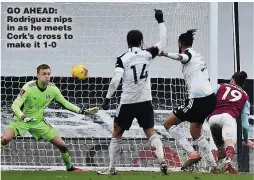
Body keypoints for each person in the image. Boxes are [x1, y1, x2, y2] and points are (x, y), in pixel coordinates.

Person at [98, 9, 168, 175]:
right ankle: (162, 160)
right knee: (150, 132)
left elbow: (116, 80)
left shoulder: (122, 58)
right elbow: (164, 41)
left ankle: (111, 169)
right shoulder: (148, 53)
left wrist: (107, 98)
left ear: (128, 42)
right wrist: (160, 20)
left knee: (117, 132)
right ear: (141, 41)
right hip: (145, 100)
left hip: (128, 102)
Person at [1, 64, 99, 172]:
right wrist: (23, 117)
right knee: (5, 139)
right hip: (20, 121)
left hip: (39, 123)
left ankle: (70, 168)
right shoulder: (28, 87)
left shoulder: (53, 89)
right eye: (44, 74)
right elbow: (14, 105)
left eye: (48, 74)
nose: (47, 76)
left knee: (62, 146)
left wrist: (82, 111)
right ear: (38, 75)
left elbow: (65, 104)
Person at [159, 29, 220, 172]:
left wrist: (165, 54)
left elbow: (183, 57)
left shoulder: (188, 55)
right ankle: (214, 167)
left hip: (198, 99)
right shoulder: (198, 55)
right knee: (195, 132)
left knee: (168, 123)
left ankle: (192, 154)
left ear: (180, 44)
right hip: (210, 99)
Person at [208, 71, 254, 173]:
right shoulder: (245, 96)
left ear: (232, 80)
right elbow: (245, 125)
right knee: (230, 145)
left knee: (221, 149)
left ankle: (215, 161)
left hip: (213, 118)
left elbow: (208, 98)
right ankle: (228, 162)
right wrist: (246, 140)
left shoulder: (220, 86)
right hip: (228, 118)